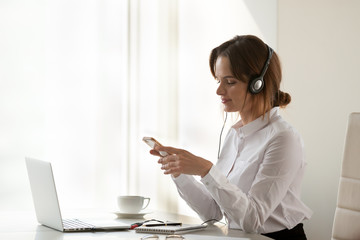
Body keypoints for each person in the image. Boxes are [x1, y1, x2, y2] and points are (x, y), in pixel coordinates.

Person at [149, 35, 312, 240]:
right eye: (218, 81)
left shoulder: (283, 138)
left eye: (230, 82)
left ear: (258, 84)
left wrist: (206, 169)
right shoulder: (235, 134)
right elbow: (212, 212)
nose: (219, 90)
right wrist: (179, 170)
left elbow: (253, 219)